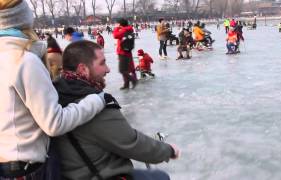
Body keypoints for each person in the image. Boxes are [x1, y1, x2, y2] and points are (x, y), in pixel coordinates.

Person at [0, 1, 109, 179]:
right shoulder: (23, 61)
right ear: (24, 18)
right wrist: (97, 100)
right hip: (26, 167)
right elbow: (54, 123)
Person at [53, 40, 180, 180]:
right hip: (100, 174)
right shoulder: (92, 105)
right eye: (102, 63)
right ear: (83, 69)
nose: (108, 69)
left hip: (75, 171)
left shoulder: (55, 94)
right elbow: (132, 143)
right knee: (160, 177)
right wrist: (169, 150)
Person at [113, 18, 138, 90]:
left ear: (121, 24)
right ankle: (126, 84)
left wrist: (117, 28)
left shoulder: (123, 30)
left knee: (122, 70)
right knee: (126, 68)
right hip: (127, 51)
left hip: (122, 52)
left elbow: (115, 35)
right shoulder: (129, 29)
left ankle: (133, 80)